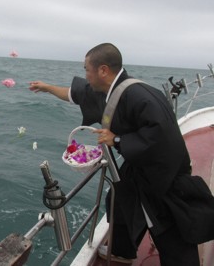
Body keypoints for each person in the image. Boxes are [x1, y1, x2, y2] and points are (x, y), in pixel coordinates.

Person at [29, 43, 201, 265]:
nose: (85, 75)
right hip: (137, 163)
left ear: (103, 70)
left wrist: (117, 139)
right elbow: (75, 93)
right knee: (119, 198)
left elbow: (162, 138)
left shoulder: (140, 96)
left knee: (169, 231)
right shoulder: (105, 92)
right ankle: (122, 251)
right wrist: (47, 87)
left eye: (86, 69)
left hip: (163, 175)